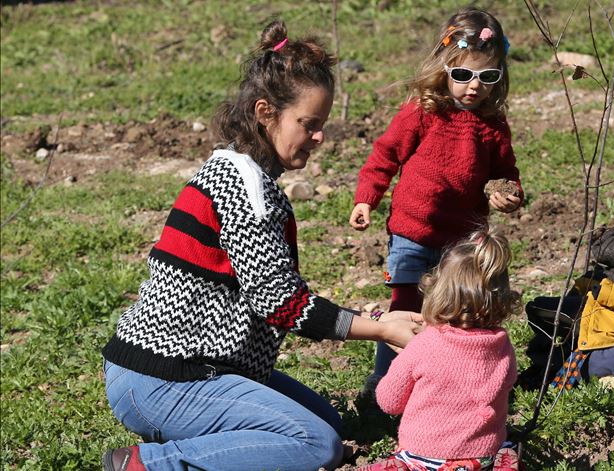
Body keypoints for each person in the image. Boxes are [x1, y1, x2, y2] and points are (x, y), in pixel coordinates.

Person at [100, 20, 421, 471]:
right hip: (164, 378)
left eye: (321, 125)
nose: (319, 136)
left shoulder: (238, 168)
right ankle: (148, 464)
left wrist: (374, 319)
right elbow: (281, 302)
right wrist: (382, 329)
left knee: (324, 421)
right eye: (308, 124)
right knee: (317, 445)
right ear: (265, 112)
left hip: (192, 369)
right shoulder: (245, 190)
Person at [349, 7, 524, 397]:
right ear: (444, 69)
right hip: (411, 232)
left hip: (460, 242)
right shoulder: (422, 112)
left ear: (499, 78)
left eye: (487, 77)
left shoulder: (493, 127)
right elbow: (385, 155)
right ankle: (387, 383)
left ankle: (458, 377)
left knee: (461, 308)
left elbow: (507, 174)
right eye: (462, 75)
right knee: (404, 309)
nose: (473, 87)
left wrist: (508, 194)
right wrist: (367, 199)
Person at [357, 229, 521, 471]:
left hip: (424, 457)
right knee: (507, 445)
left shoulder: (425, 344)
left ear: (439, 291)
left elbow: (389, 402)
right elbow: (507, 384)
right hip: (482, 457)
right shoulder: (502, 344)